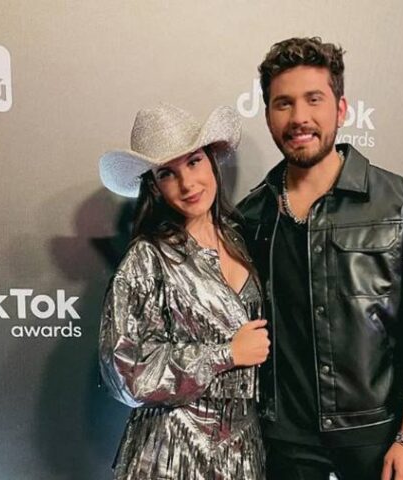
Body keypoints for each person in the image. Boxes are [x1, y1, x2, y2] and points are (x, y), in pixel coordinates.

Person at [237, 37, 403, 480]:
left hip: (376, 439)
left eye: (314, 99)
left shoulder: (399, 202)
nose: (299, 117)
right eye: (283, 103)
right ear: (268, 115)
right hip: (283, 447)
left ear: (341, 108)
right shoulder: (251, 217)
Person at [98, 103, 269, 479]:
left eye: (193, 162)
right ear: (154, 186)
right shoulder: (148, 257)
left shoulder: (242, 240)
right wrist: (226, 353)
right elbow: (124, 373)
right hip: (171, 452)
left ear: (211, 160)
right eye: (167, 173)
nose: (187, 184)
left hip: (243, 450)